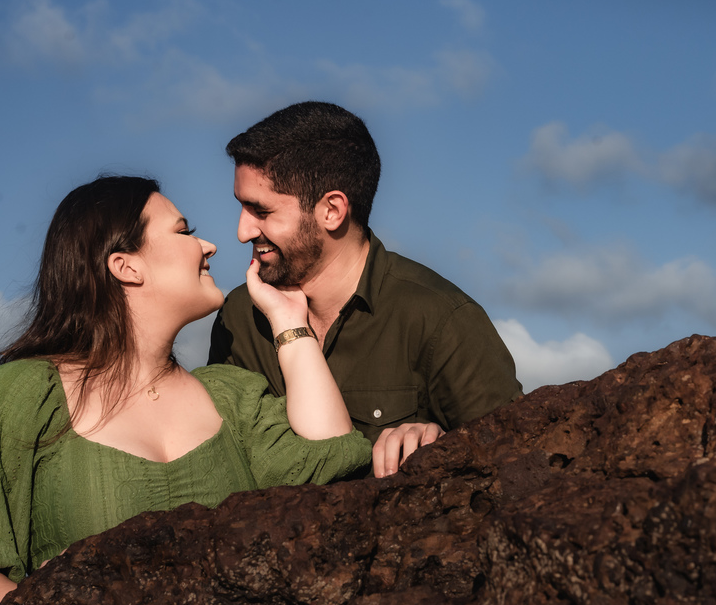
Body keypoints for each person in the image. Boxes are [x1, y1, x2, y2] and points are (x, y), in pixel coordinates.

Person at [0, 175, 370, 605]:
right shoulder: (24, 394)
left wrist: (289, 320)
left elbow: (333, 456)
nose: (209, 246)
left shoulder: (230, 395)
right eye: (184, 231)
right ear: (126, 266)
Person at [208, 101, 522, 478]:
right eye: (242, 208)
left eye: (261, 211)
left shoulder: (441, 320)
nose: (242, 232)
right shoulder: (240, 317)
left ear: (332, 210)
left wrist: (446, 450)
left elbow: (515, 466)